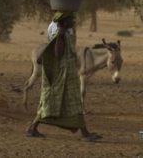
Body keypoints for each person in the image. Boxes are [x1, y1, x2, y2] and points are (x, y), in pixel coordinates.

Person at [25, 11, 100, 142]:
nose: (74, 21)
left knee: (67, 103)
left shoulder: (65, 33)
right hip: (61, 76)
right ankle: (85, 134)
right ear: (64, 22)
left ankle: (33, 128)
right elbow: (58, 54)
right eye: (71, 19)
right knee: (60, 103)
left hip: (68, 75)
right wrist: (60, 35)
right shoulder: (60, 35)